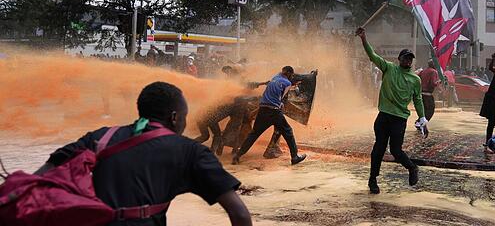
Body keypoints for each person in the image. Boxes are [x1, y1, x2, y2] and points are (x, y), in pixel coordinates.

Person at [34, 81, 251, 226]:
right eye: (185, 117)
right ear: (175, 117)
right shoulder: (189, 151)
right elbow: (239, 214)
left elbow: (38, 180)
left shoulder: (100, 137)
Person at [356, 27, 426, 195]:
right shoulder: (389, 68)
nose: (408, 60)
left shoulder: (415, 79)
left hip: (399, 119)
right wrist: (364, 38)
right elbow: (372, 55)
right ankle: (372, 180)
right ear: (399, 59)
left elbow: (418, 99)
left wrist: (423, 117)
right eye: (405, 57)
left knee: (396, 150)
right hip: (384, 116)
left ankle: (411, 168)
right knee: (378, 148)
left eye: (410, 58)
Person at [232, 66, 307, 166]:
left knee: (253, 134)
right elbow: (281, 98)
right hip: (274, 112)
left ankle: (237, 156)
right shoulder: (287, 83)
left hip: (263, 110)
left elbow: (275, 89)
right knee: (288, 131)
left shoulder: (274, 78)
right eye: (291, 75)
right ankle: (294, 157)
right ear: (289, 74)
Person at [480, 53, 495, 151]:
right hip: (491, 100)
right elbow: (490, 68)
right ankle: (487, 143)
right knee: (491, 122)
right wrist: (493, 59)